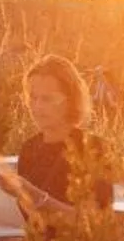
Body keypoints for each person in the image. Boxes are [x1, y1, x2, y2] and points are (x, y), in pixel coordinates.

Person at [10, 55, 112, 216]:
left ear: (71, 100)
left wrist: (38, 199)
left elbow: (92, 224)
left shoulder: (93, 149)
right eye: (33, 98)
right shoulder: (29, 149)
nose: (37, 107)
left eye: (48, 99)